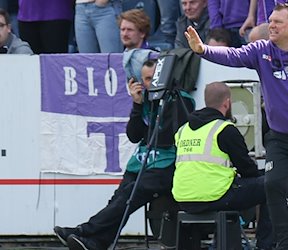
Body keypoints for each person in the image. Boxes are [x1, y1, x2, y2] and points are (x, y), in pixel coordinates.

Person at [184, 3, 288, 249]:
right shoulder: (261, 50)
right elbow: (232, 55)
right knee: (273, 184)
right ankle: (285, 245)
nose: (270, 25)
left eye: (277, 22)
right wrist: (202, 49)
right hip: (281, 138)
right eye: (271, 20)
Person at [53, 59, 195, 250]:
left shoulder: (181, 99)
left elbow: (168, 135)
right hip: (141, 162)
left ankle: (83, 231)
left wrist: (161, 101)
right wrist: (137, 105)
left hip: (166, 165)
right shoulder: (144, 100)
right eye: (146, 79)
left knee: (127, 198)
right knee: (118, 201)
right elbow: (134, 136)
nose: (150, 83)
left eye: (154, 78)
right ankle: (96, 243)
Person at [172, 81, 273, 249]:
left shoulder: (183, 130)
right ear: (227, 103)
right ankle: (266, 245)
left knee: (239, 186)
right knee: (271, 185)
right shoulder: (225, 128)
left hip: (184, 199)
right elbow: (247, 170)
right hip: (215, 197)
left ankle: (220, 242)